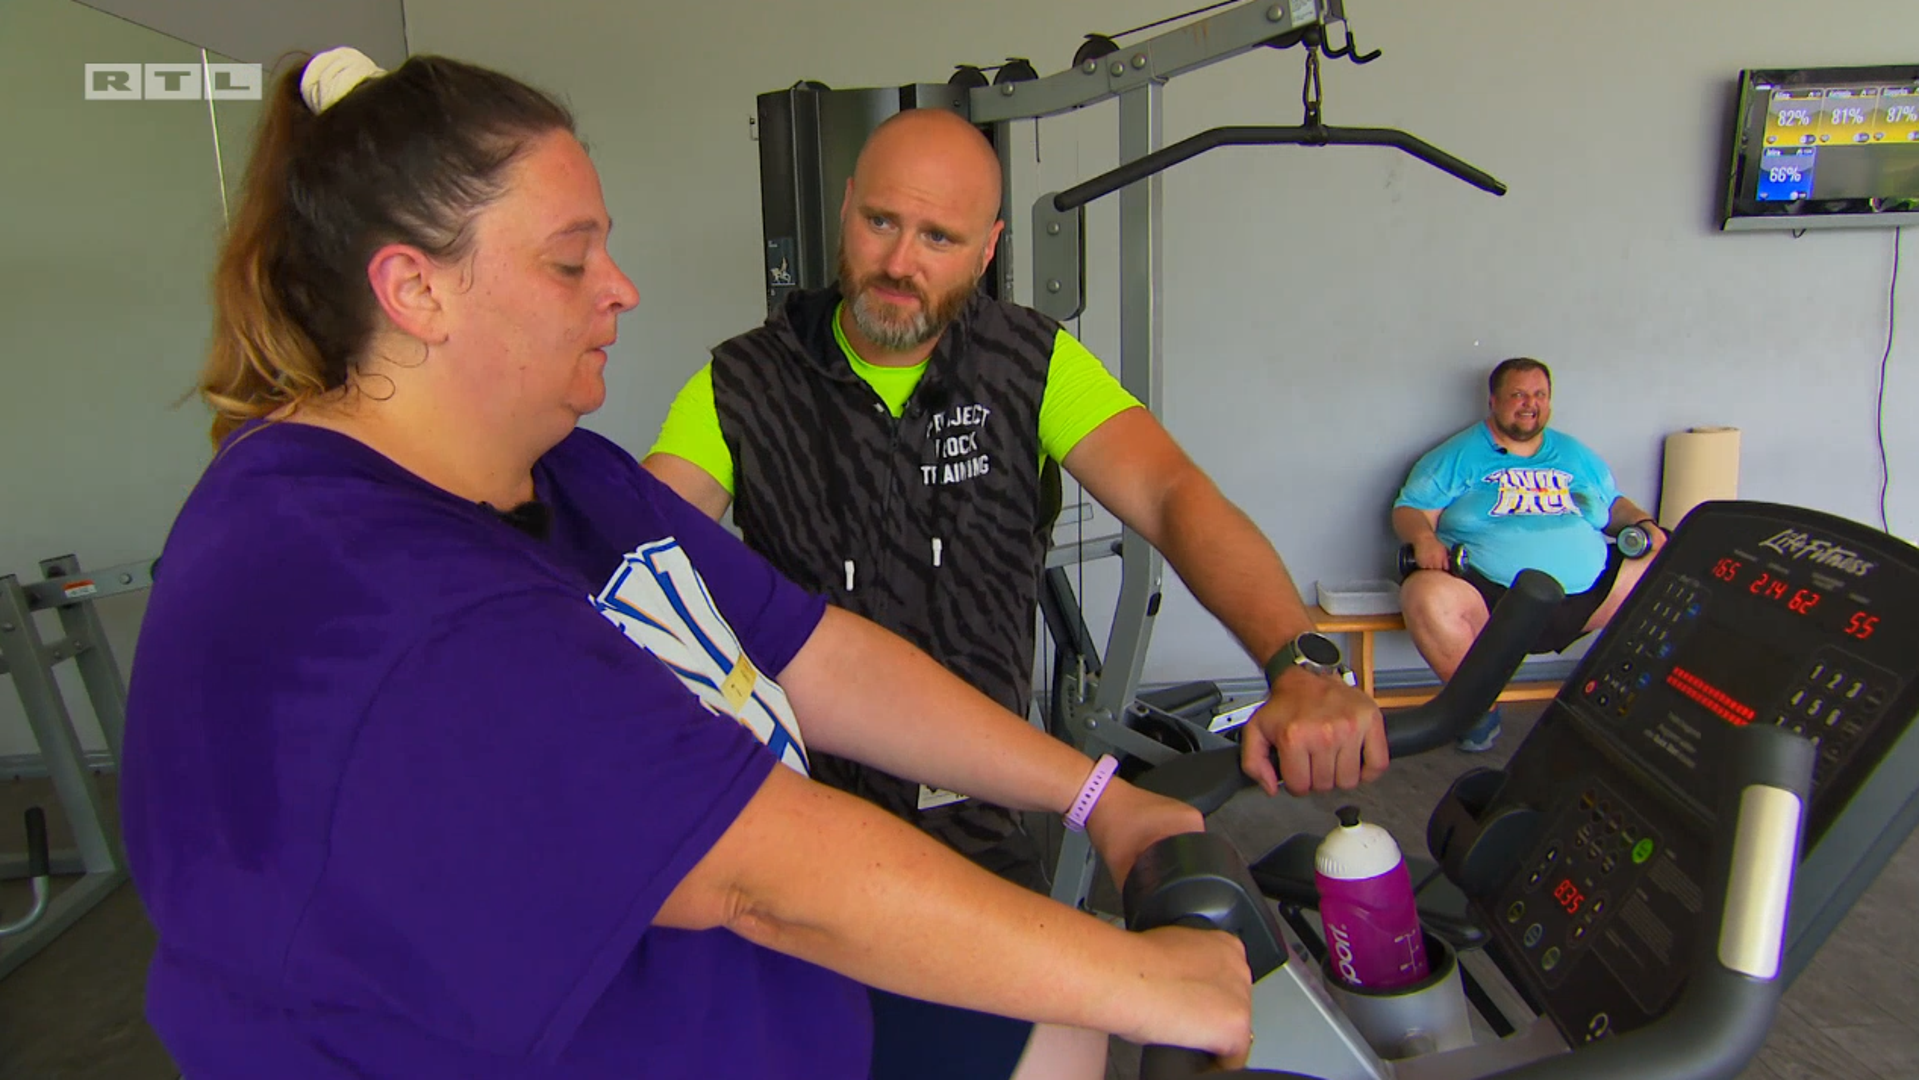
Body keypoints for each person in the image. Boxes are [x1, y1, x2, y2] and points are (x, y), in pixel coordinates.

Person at [116, 48, 1257, 1080]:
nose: (621, 288)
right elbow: (761, 877)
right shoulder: (370, 585)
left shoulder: (564, 474)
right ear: (416, 291)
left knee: (1059, 1020)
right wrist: (1153, 980)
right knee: (1088, 1001)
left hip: (773, 997)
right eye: (571, 262)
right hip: (625, 1021)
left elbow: (815, 653)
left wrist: (1098, 796)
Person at [642, 108, 1386, 1077]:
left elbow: (1171, 495)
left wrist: (1296, 660)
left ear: (988, 247)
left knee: (1053, 1039)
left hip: (981, 815)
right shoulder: (739, 384)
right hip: (808, 831)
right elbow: (638, 551)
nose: (898, 262)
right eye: (879, 222)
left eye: (938, 238)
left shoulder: (1028, 363)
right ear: (844, 209)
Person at [1392, 357, 1666, 751]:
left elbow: (1614, 506)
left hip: (1588, 593)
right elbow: (1410, 509)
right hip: (1494, 597)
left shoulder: (1575, 454)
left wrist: (1642, 523)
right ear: (1493, 401)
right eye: (1518, 394)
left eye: (1539, 395)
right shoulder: (1457, 456)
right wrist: (1423, 538)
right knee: (1423, 594)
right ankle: (1475, 711)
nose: (1529, 403)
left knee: (1666, 569)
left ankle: (1622, 704)